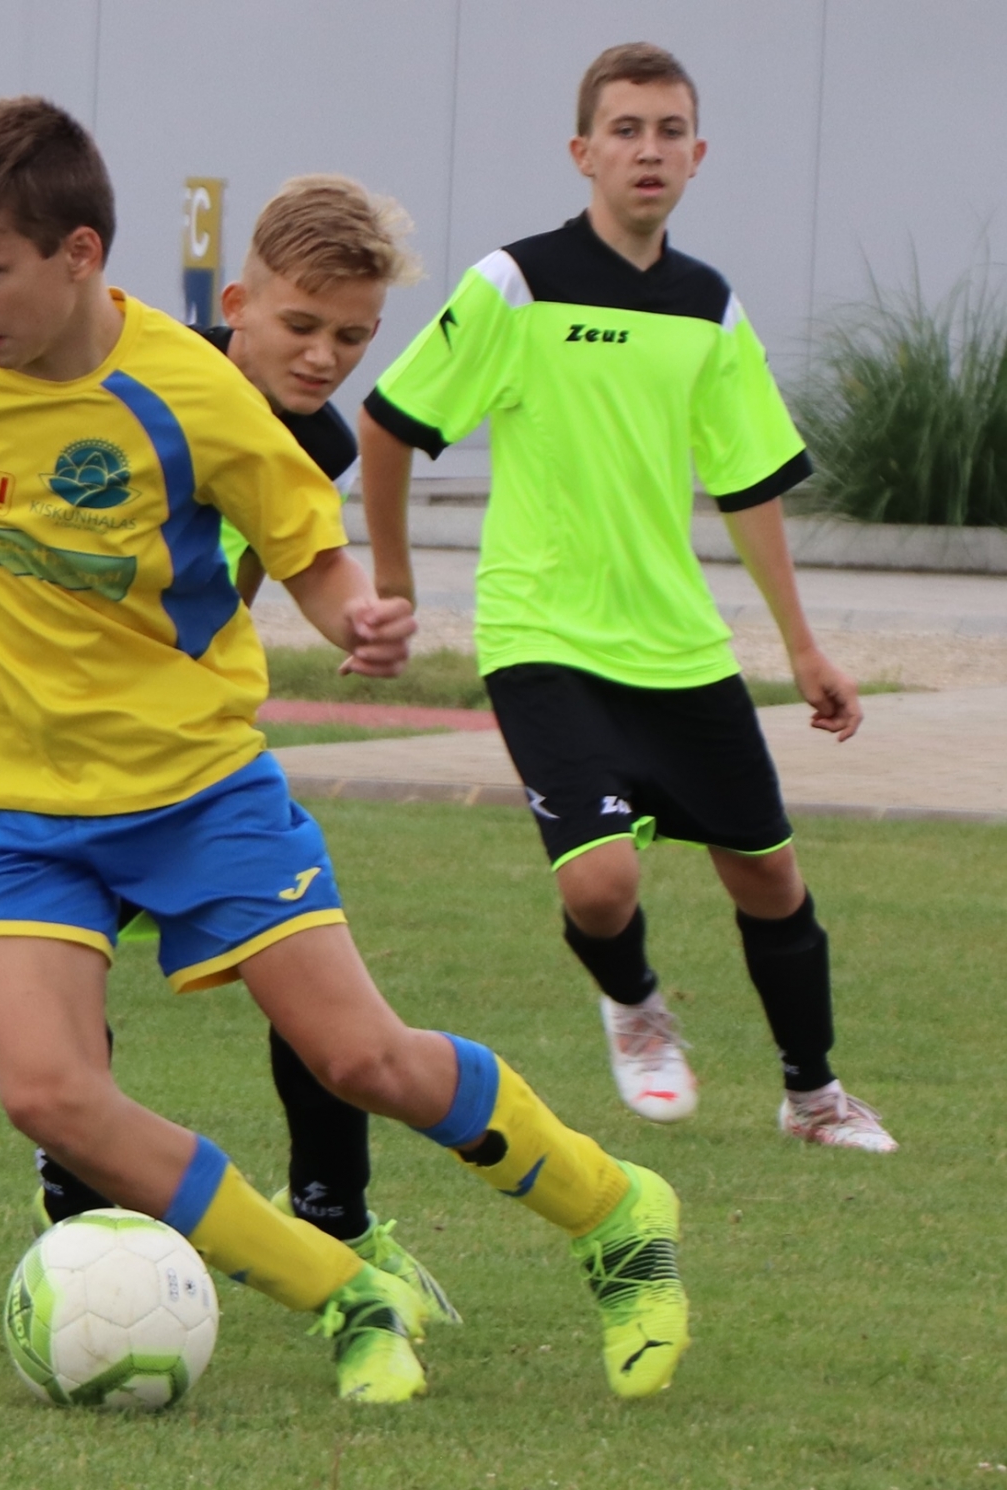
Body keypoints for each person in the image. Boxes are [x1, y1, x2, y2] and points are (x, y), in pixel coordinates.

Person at [0, 94, 691, 1405]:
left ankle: (615, 1211)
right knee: (50, 1097)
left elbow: (310, 550)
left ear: (80, 256)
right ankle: (343, 1295)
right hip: (5, 804)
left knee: (361, 1059)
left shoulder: (198, 399)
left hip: (193, 791)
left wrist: (356, 617)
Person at [0, 175, 461, 1327]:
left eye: (352, 338)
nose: (324, 357)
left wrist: (349, 621)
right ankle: (78, 1201)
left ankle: (336, 1216)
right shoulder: (118, 369)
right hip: (22, 748)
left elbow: (254, 570)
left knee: (302, 982)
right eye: (301, 326)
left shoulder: (311, 438)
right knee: (59, 979)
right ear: (237, 305)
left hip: (172, 758)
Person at [359, 42, 896, 1153]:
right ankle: (637, 1005)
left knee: (771, 879)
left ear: (698, 154)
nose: (648, 150)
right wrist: (398, 584)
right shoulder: (517, 283)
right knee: (601, 886)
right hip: (543, 637)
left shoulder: (709, 305)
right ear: (583, 152)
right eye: (626, 130)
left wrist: (803, 647)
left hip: (681, 646)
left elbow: (747, 484)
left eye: (669, 131)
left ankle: (814, 1098)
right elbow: (390, 423)